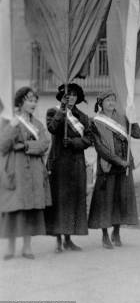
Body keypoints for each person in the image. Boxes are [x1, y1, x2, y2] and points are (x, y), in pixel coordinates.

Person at [0, 88, 51, 259]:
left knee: (30, 208)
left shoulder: (38, 124)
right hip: (17, 170)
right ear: (21, 102)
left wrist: (25, 146)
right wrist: (12, 128)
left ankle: (27, 247)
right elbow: (3, 146)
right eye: (30, 100)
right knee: (14, 208)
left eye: (35, 100)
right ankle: (10, 247)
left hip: (35, 170)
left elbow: (44, 144)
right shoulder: (12, 123)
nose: (33, 104)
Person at [88, 91, 140, 249]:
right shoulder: (95, 122)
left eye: (113, 100)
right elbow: (100, 147)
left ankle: (116, 232)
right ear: (101, 103)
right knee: (106, 200)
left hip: (124, 165)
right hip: (108, 166)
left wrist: (133, 119)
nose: (111, 103)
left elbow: (137, 134)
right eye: (108, 100)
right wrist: (118, 161)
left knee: (121, 199)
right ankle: (105, 235)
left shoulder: (123, 118)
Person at [45, 83, 92, 253]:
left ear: (78, 98)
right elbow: (52, 128)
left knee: (73, 201)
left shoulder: (83, 117)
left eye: (74, 95)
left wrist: (73, 142)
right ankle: (58, 239)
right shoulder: (53, 112)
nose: (71, 97)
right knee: (60, 201)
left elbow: (89, 139)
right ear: (62, 97)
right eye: (68, 94)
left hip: (77, 163)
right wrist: (62, 111)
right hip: (59, 163)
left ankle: (68, 238)